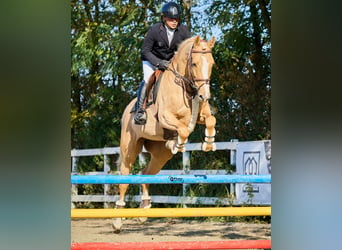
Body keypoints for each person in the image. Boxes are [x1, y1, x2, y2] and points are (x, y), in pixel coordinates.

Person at [134, 1, 192, 125]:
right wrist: (158, 63)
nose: (174, 21)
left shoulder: (183, 30)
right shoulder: (155, 30)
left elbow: (190, 48)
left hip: (171, 63)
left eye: (176, 19)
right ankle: (140, 111)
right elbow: (145, 51)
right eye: (171, 19)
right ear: (164, 18)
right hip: (152, 61)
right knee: (147, 79)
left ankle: (198, 105)